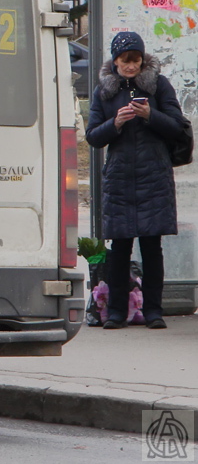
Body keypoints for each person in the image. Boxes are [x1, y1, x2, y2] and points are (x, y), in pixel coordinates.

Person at [86, 31, 187, 330]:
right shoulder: (103, 91)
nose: (130, 66)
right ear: (115, 61)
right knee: (119, 248)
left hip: (153, 175)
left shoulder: (159, 85)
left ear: (143, 61)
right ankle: (116, 312)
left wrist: (149, 114)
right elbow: (93, 136)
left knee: (152, 246)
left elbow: (177, 127)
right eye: (125, 61)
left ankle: (154, 310)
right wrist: (115, 122)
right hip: (119, 178)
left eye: (136, 61)